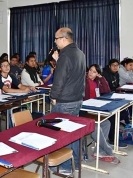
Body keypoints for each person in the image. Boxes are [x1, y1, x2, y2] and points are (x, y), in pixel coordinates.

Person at [49, 27, 86, 175]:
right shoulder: (80, 53)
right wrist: (59, 60)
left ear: (64, 39)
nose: (55, 42)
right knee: (73, 134)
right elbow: (72, 74)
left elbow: (59, 79)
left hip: (64, 101)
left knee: (61, 135)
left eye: (57, 39)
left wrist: (53, 97)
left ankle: (64, 166)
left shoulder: (65, 56)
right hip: (77, 99)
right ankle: (76, 163)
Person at [80, 64, 120, 164]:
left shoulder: (97, 81)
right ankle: (108, 150)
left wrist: (101, 79)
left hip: (93, 108)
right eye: (90, 70)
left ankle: (99, 151)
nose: (91, 73)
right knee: (96, 127)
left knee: (107, 123)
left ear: (97, 74)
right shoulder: (83, 79)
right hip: (83, 110)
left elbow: (107, 91)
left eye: (94, 72)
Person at [102, 59, 130, 148]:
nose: (115, 67)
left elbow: (116, 86)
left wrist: (119, 92)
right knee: (114, 116)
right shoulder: (105, 75)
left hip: (113, 96)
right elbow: (106, 90)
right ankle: (113, 139)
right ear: (109, 66)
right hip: (104, 98)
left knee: (124, 109)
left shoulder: (116, 74)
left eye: (117, 65)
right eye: (113, 65)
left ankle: (123, 131)